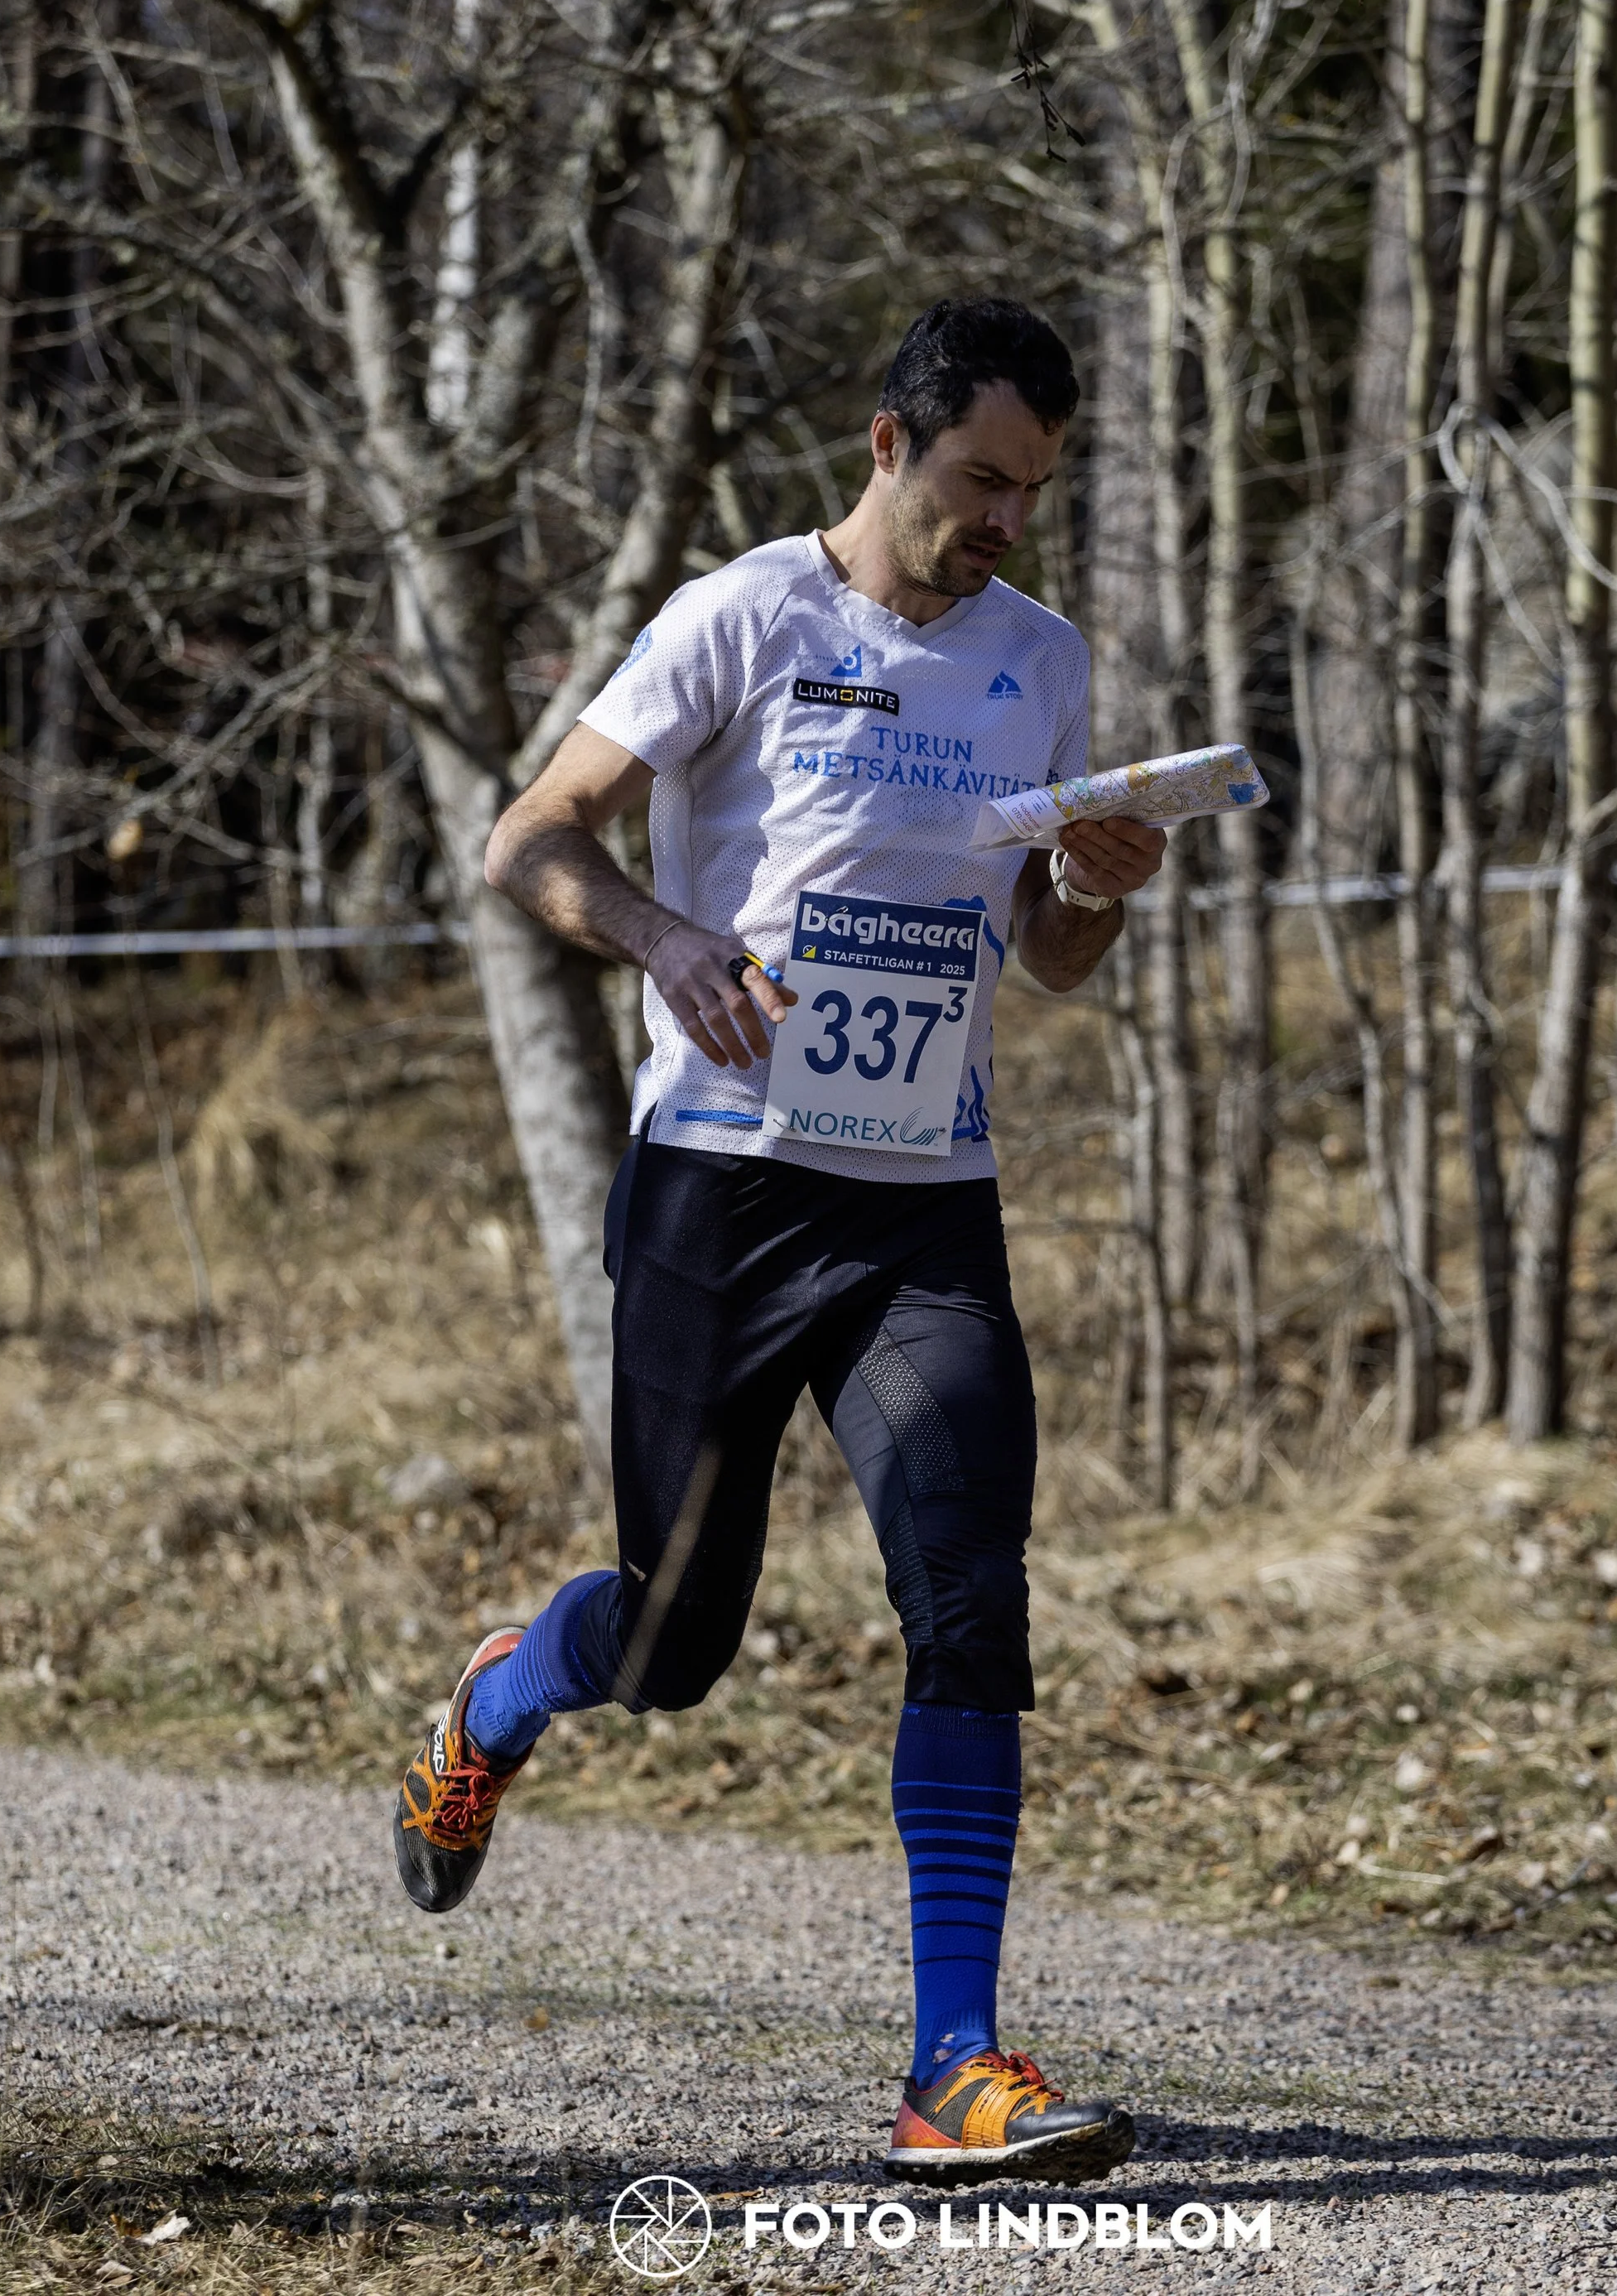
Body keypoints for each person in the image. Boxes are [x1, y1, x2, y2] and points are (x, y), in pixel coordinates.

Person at [392, 298, 1164, 2183]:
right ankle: (502, 1689)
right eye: (979, 478)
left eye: (1031, 490)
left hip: (921, 1209)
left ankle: (952, 2062)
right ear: (885, 442)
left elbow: (1043, 961)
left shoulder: (1038, 659)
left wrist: (1090, 888)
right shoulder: (746, 615)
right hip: (721, 1194)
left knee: (970, 1594)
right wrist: (663, 937)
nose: (1003, 519)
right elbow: (533, 836)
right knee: (672, 1641)